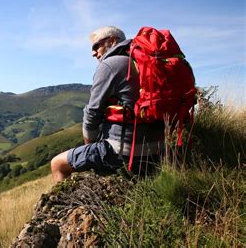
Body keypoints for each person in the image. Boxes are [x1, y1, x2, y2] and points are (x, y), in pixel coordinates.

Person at [50, 26, 164, 183]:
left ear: (112, 41)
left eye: (96, 46)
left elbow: (92, 112)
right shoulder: (146, 63)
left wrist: (89, 145)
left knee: (57, 164)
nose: (93, 53)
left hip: (123, 152)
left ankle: (59, 205)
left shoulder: (110, 65)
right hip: (158, 150)